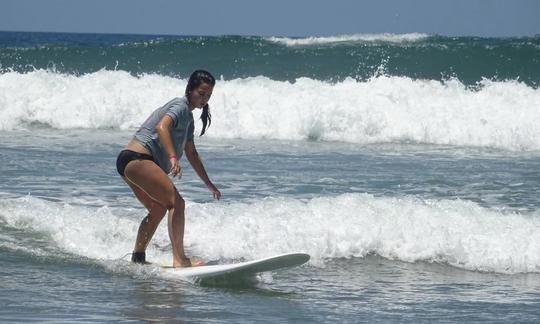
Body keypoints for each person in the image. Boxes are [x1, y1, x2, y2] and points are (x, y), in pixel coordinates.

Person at [116, 70, 221, 267]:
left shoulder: (188, 118)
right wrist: (173, 157)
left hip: (128, 162)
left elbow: (192, 154)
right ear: (190, 90)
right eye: (201, 93)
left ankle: (138, 257)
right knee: (177, 203)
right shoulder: (180, 106)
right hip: (138, 158)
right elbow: (161, 128)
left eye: (208, 95)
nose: (204, 99)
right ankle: (180, 260)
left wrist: (209, 184)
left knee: (158, 208)